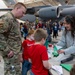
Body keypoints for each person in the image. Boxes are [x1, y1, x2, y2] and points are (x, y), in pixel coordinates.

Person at [0, 2, 26, 75]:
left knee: (15, 72)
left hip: (15, 55)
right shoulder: (7, 18)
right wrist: (7, 50)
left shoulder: (14, 20)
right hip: (10, 55)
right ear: (17, 8)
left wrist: (20, 53)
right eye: (23, 12)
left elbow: (16, 38)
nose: (23, 15)